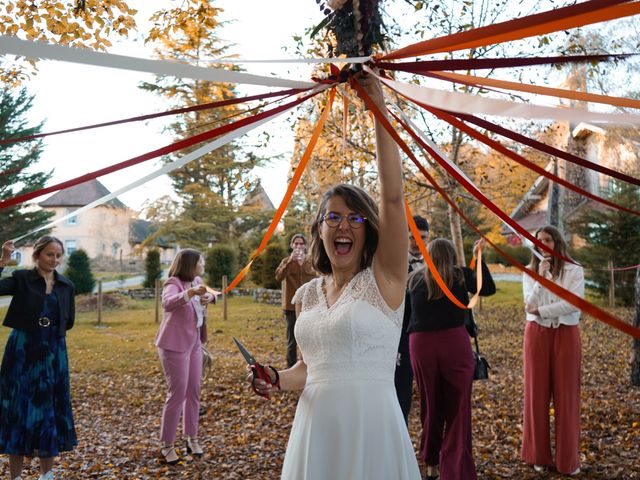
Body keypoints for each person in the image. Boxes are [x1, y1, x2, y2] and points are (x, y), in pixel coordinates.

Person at [247, 75, 421, 480]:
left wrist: (378, 108)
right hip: (315, 431)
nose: (344, 226)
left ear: (368, 228)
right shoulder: (307, 294)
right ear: (320, 229)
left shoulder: (385, 279)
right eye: (334, 217)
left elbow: (393, 198)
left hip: (371, 429)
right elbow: (310, 369)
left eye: (355, 217)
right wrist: (275, 378)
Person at [408, 237, 495, 480]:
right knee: (458, 408)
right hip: (454, 344)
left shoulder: (414, 280)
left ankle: (431, 463)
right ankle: (455, 470)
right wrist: (479, 258)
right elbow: (487, 288)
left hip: (421, 345)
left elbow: (405, 317)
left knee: (430, 404)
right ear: (452, 254)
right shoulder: (461, 275)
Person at [0, 237, 77, 480]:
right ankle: (15, 477)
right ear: (37, 256)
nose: (54, 260)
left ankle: (47, 475)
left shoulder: (66, 286)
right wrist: (3, 260)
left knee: (48, 411)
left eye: (58, 255)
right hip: (22, 350)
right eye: (49, 255)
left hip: (54, 352)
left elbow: (70, 320)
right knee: (18, 410)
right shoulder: (22, 279)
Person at [522, 225, 584, 476]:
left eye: (548, 240)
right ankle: (538, 455)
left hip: (566, 334)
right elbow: (529, 305)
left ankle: (568, 460)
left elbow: (572, 303)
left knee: (567, 396)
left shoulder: (574, 269)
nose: (543, 245)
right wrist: (542, 278)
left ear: (557, 242)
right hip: (537, 335)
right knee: (536, 395)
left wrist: (544, 311)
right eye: (539, 241)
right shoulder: (530, 271)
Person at [155, 248, 216, 464]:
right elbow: (168, 303)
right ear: (190, 265)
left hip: (194, 344)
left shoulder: (196, 280)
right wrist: (190, 294)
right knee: (177, 393)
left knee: (194, 391)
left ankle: (191, 438)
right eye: (200, 262)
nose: (203, 265)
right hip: (174, 345)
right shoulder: (173, 283)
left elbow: (209, 294)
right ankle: (167, 445)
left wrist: (208, 296)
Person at [395, 214, 429, 424]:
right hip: (402, 338)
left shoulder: (436, 266)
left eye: (422, 238)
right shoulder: (394, 265)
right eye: (412, 237)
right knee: (401, 394)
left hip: (431, 338)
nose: (417, 243)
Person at [274, 233, 317, 367]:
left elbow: (319, 278)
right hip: (290, 307)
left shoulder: (311, 261)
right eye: (296, 244)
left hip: (309, 306)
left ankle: (307, 367)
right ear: (292, 246)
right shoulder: (286, 261)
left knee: (308, 338)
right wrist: (289, 262)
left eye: (301, 244)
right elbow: (278, 277)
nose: (298, 246)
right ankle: (290, 368)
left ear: (305, 246)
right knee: (292, 341)